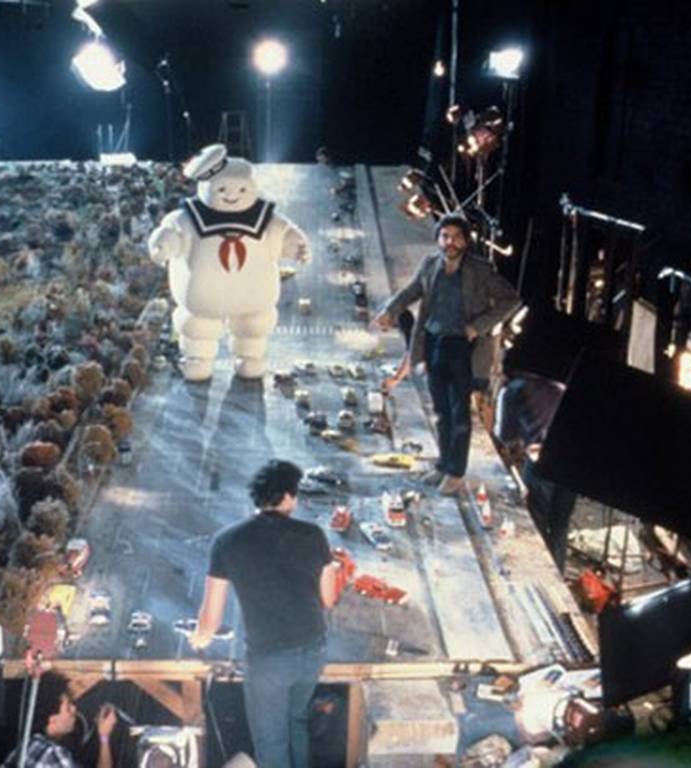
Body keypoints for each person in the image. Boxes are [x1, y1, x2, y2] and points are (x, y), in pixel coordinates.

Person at [190, 460, 340, 768]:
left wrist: (200, 639)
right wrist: (330, 570)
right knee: (296, 721)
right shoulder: (314, 535)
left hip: (269, 661)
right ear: (288, 497)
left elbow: (211, 619)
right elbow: (328, 599)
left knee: (271, 742)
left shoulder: (226, 541)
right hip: (313, 650)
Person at [373, 214, 518, 495]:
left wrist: (478, 326)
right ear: (438, 239)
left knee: (459, 412)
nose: (450, 242)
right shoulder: (430, 265)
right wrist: (389, 311)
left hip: (463, 348)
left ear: (465, 241)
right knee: (441, 411)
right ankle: (443, 464)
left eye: (456, 237)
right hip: (434, 343)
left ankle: (456, 472)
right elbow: (410, 292)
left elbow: (511, 299)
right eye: (445, 236)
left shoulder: (480, 270)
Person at [494, 371, 575, 571]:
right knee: (560, 526)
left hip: (542, 461)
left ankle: (539, 573)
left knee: (536, 524)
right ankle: (557, 574)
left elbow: (505, 436)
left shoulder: (513, 390)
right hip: (571, 461)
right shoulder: (560, 383)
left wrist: (524, 438)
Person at [0, 674, 117, 768]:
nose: (74, 709)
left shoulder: (26, 747)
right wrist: (104, 737)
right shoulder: (54, 754)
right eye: (68, 707)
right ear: (52, 720)